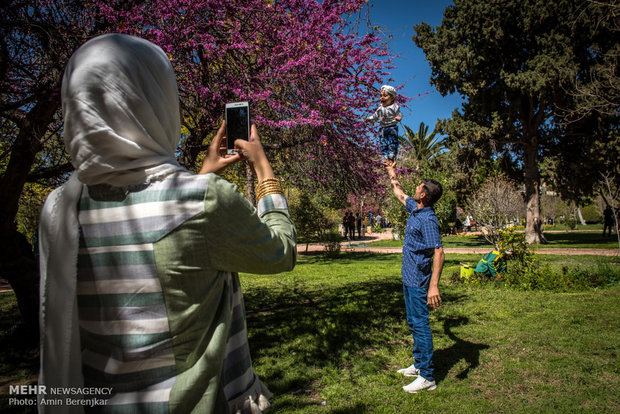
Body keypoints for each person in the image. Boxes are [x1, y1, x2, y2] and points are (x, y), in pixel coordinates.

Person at [37, 34, 296, 414]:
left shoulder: (60, 207)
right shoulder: (203, 201)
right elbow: (280, 252)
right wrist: (262, 168)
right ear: (156, 102)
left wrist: (200, 175)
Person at [385, 160, 444, 394]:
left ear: (423, 195)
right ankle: (419, 364)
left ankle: (428, 376)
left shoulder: (428, 219)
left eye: (418, 187)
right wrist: (391, 171)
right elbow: (399, 194)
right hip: (409, 277)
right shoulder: (415, 209)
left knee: (421, 325)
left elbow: (439, 252)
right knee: (413, 322)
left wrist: (434, 287)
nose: (414, 189)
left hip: (420, 281)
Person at [365, 85, 403, 160]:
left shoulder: (394, 107)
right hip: (383, 128)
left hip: (392, 127)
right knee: (382, 142)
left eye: (385, 96)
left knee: (392, 141)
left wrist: (399, 117)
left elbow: (399, 114)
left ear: (392, 98)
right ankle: (385, 154)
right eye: (381, 96)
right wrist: (370, 118)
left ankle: (392, 153)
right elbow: (375, 116)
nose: (382, 97)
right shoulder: (380, 108)